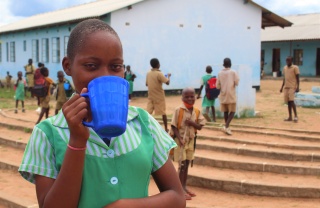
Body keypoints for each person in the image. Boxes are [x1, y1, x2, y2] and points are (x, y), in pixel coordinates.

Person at [19, 19, 185, 208]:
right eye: (91, 65)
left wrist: (124, 206)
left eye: (115, 67)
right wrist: (77, 142)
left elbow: (177, 198)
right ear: (68, 66)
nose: (105, 76)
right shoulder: (47, 134)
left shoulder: (144, 123)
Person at [170, 87, 206, 200]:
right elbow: (173, 126)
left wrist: (191, 123)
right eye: (187, 97)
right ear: (182, 98)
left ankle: (184, 187)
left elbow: (200, 126)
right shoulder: (178, 110)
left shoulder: (196, 111)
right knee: (181, 166)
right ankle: (179, 190)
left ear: (195, 97)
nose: (190, 98)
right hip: (180, 141)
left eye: (192, 96)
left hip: (190, 141)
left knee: (186, 165)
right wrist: (180, 139)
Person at [146, 58, 171, 132]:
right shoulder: (159, 73)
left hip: (151, 96)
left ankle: (147, 127)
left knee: (148, 113)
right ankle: (166, 128)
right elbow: (167, 82)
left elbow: (146, 84)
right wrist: (168, 76)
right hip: (159, 96)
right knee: (163, 113)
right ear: (158, 65)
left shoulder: (148, 73)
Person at [216, 58, 239, 135]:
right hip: (231, 94)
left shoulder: (220, 73)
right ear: (230, 64)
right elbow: (237, 82)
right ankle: (226, 126)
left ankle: (227, 127)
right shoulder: (233, 72)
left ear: (223, 64)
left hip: (223, 94)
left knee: (225, 111)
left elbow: (217, 86)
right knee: (232, 111)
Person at [280, 56, 300, 122]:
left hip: (292, 86)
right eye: (287, 60)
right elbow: (284, 78)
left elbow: (298, 78)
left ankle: (296, 116)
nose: (287, 62)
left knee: (291, 101)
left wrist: (298, 87)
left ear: (292, 61)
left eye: (289, 60)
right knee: (288, 102)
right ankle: (290, 117)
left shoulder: (295, 68)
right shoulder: (285, 68)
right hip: (286, 87)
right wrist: (281, 87)